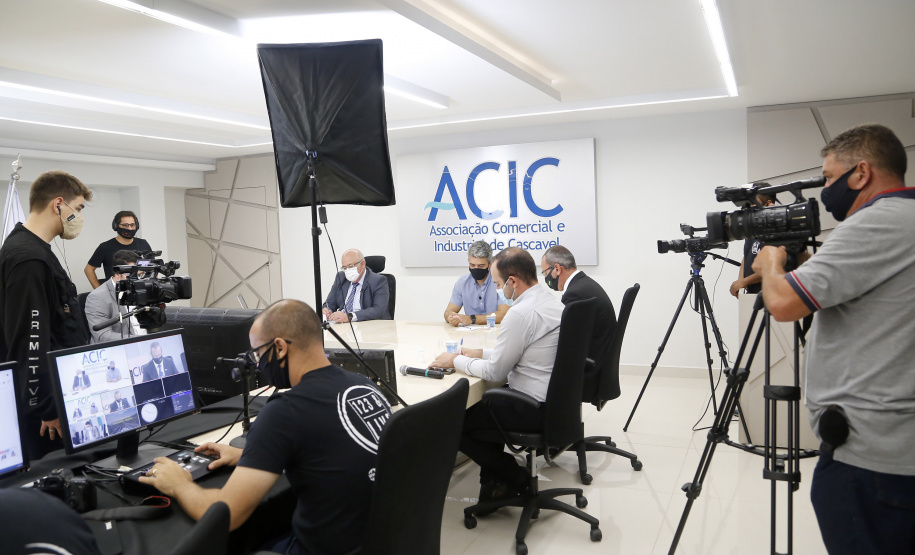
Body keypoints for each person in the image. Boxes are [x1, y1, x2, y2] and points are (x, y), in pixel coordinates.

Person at [751, 124, 915, 555]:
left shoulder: (877, 222)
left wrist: (771, 262)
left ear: (860, 173)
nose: (825, 189)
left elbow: (785, 303)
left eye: (827, 177)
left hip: (871, 458)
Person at [139, 299, 392, 555]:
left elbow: (226, 515)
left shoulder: (286, 410)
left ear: (279, 347)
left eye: (258, 353)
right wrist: (254, 455)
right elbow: (335, 453)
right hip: (377, 540)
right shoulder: (364, 385)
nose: (258, 364)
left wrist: (179, 484)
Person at [430, 247, 564, 500]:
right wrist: (480, 353)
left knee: (453, 421)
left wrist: (455, 360)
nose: (499, 289)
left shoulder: (520, 314)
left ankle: (514, 477)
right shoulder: (549, 301)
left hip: (530, 405)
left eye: (500, 283)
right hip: (554, 400)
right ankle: (493, 483)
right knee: (485, 407)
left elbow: (495, 372)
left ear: (513, 281)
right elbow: (524, 350)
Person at [0, 170, 91, 461]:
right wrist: (48, 409)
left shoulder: (36, 249)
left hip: (57, 392)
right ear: (58, 204)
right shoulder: (28, 259)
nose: (78, 216)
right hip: (44, 415)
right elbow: (30, 342)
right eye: (77, 209)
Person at [541, 245, 616, 399]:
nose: (546, 278)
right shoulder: (585, 284)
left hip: (590, 372)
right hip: (601, 365)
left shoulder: (574, 294)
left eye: (545, 273)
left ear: (557, 269)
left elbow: (567, 342)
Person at [443, 240, 510, 326]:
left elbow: (503, 315)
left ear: (490, 264)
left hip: (496, 334)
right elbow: (448, 311)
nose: (476, 269)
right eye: (472, 265)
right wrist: (451, 317)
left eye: (481, 266)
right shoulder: (462, 282)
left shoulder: (501, 282)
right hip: (470, 335)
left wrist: (472, 319)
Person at [86, 250, 146, 343]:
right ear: (118, 273)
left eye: (140, 275)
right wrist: (138, 340)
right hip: (122, 347)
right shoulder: (97, 297)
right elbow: (103, 335)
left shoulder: (141, 289)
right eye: (133, 275)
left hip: (148, 342)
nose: (138, 280)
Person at [84, 210, 152, 289]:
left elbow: (153, 267)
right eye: (126, 225)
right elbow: (88, 269)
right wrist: (100, 290)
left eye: (132, 225)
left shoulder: (143, 244)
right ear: (116, 226)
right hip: (117, 294)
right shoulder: (105, 247)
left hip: (141, 291)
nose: (130, 228)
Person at [322, 248, 391, 323]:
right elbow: (329, 303)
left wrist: (349, 316)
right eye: (345, 268)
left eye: (351, 266)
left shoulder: (379, 281)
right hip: (342, 325)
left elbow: (378, 311)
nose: (348, 271)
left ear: (362, 264)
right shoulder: (341, 277)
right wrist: (326, 310)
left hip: (366, 325)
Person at [729, 190, 777, 297]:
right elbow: (746, 256)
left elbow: (773, 267)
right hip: (751, 294)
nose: (749, 208)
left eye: (753, 203)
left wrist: (744, 282)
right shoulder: (752, 230)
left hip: (771, 295)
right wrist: (740, 282)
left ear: (768, 204)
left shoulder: (775, 231)